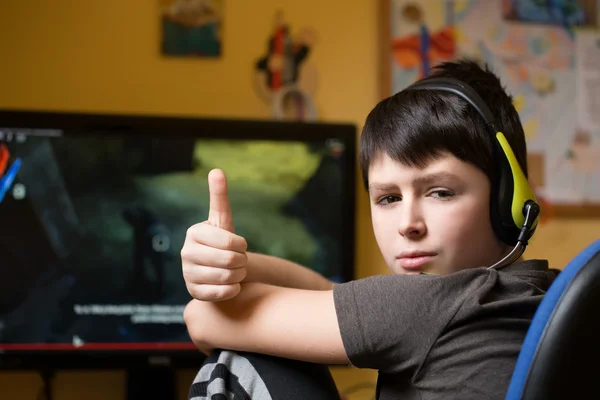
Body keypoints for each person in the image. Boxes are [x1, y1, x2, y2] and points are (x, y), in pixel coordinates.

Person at [180, 59, 559, 400]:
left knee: (238, 360)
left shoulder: (423, 305)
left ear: (509, 200)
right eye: (388, 198)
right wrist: (231, 262)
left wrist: (214, 283)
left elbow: (204, 319)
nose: (408, 224)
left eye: (440, 192)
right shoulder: (540, 291)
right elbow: (333, 295)